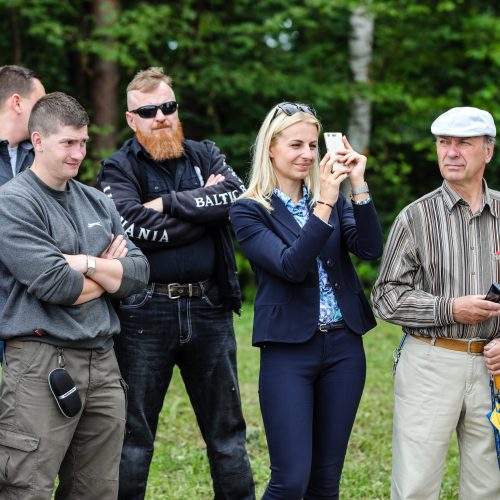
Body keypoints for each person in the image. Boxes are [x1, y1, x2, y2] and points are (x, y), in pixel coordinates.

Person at [98, 67, 255, 500]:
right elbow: (132, 226)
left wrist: (167, 202)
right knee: (133, 438)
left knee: (227, 434)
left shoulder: (205, 153)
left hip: (210, 308)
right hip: (143, 312)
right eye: (148, 111)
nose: (161, 117)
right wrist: (202, 214)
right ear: (132, 119)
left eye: (168, 107)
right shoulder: (118, 166)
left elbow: (237, 199)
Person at [229, 102, 384, 499]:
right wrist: (325, 203)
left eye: (313, 145)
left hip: (344, 348)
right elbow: (291, 266)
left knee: (325, 482)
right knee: (290, 480)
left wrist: (359, 186)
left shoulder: (331, 197)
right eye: (296, 144)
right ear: (271, 148)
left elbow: (368, 248)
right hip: (288, 351)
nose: (308, 155)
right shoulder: (249, 210)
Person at [0, 92, 150, 499]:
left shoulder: (98, 201)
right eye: (68, 142)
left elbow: (138, 274)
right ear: (38, 140)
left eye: (82, 142)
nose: (78, 153)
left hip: (103, 362)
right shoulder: (13, 202)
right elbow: (55, 286)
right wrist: (106, 270)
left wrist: (82, 264)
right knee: (26, 486)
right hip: (40, 362)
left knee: (96, 489)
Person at [371, 106, 500, 499]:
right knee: (415, 486)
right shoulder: (416, 217)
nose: (451, 152)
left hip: (495, 367)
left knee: (489, 486)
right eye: (444, 142)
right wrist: (449, 309)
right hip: (430, 361)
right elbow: (385, 295)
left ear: (488, 151)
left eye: (464, 142)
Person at [0, 64, 45, 362]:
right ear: (17, 102)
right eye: (40, 104)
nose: (46, 114)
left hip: (26, 306)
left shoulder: (41, 154)